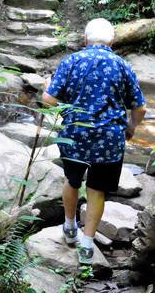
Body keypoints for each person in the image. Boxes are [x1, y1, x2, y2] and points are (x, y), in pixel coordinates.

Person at [42, 18, 146, 265]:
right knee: (96, 191)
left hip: (75, 136)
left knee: (71, 180)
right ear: (112, 41)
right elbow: (140, 108)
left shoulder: (71, 61)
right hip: (109, 141)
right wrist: (130, 128)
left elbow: (48, 99)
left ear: (85, 39)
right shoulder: (123, 65)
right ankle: (87, 247)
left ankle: (69, 228)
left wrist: (51, 90)